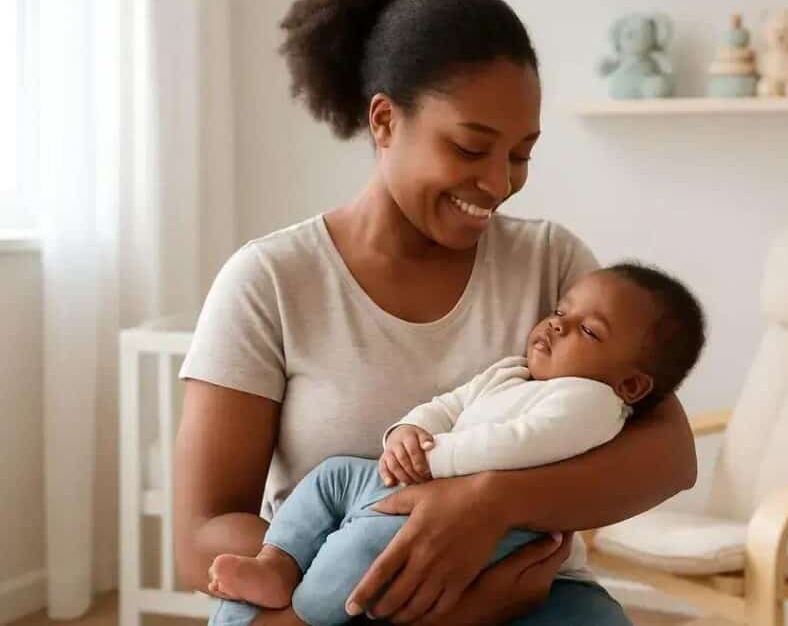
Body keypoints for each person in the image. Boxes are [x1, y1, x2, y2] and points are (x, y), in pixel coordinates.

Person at [174, 0, 698, 626]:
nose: (500, 182)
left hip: (521, 589)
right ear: (385, 121)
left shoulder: (554, 265)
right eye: (471, 147)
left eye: (521, 154)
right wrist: (389, 584)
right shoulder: (270, 280)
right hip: (335, 587)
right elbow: (203, 534)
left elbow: (669, 453)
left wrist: (488, 506)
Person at [205, 265, 706, 625]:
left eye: (588, 331)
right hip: (400, 486)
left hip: (483, 527)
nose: (557, 324)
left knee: (363, 556)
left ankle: (312, 601)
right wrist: (407, 432)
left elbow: (523, 445)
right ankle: (277, 565)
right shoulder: (512, 373)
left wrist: (443, 466)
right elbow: (448, 404)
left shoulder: (590, 400)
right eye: (560, 311)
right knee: (333, 475)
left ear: (633, 386)